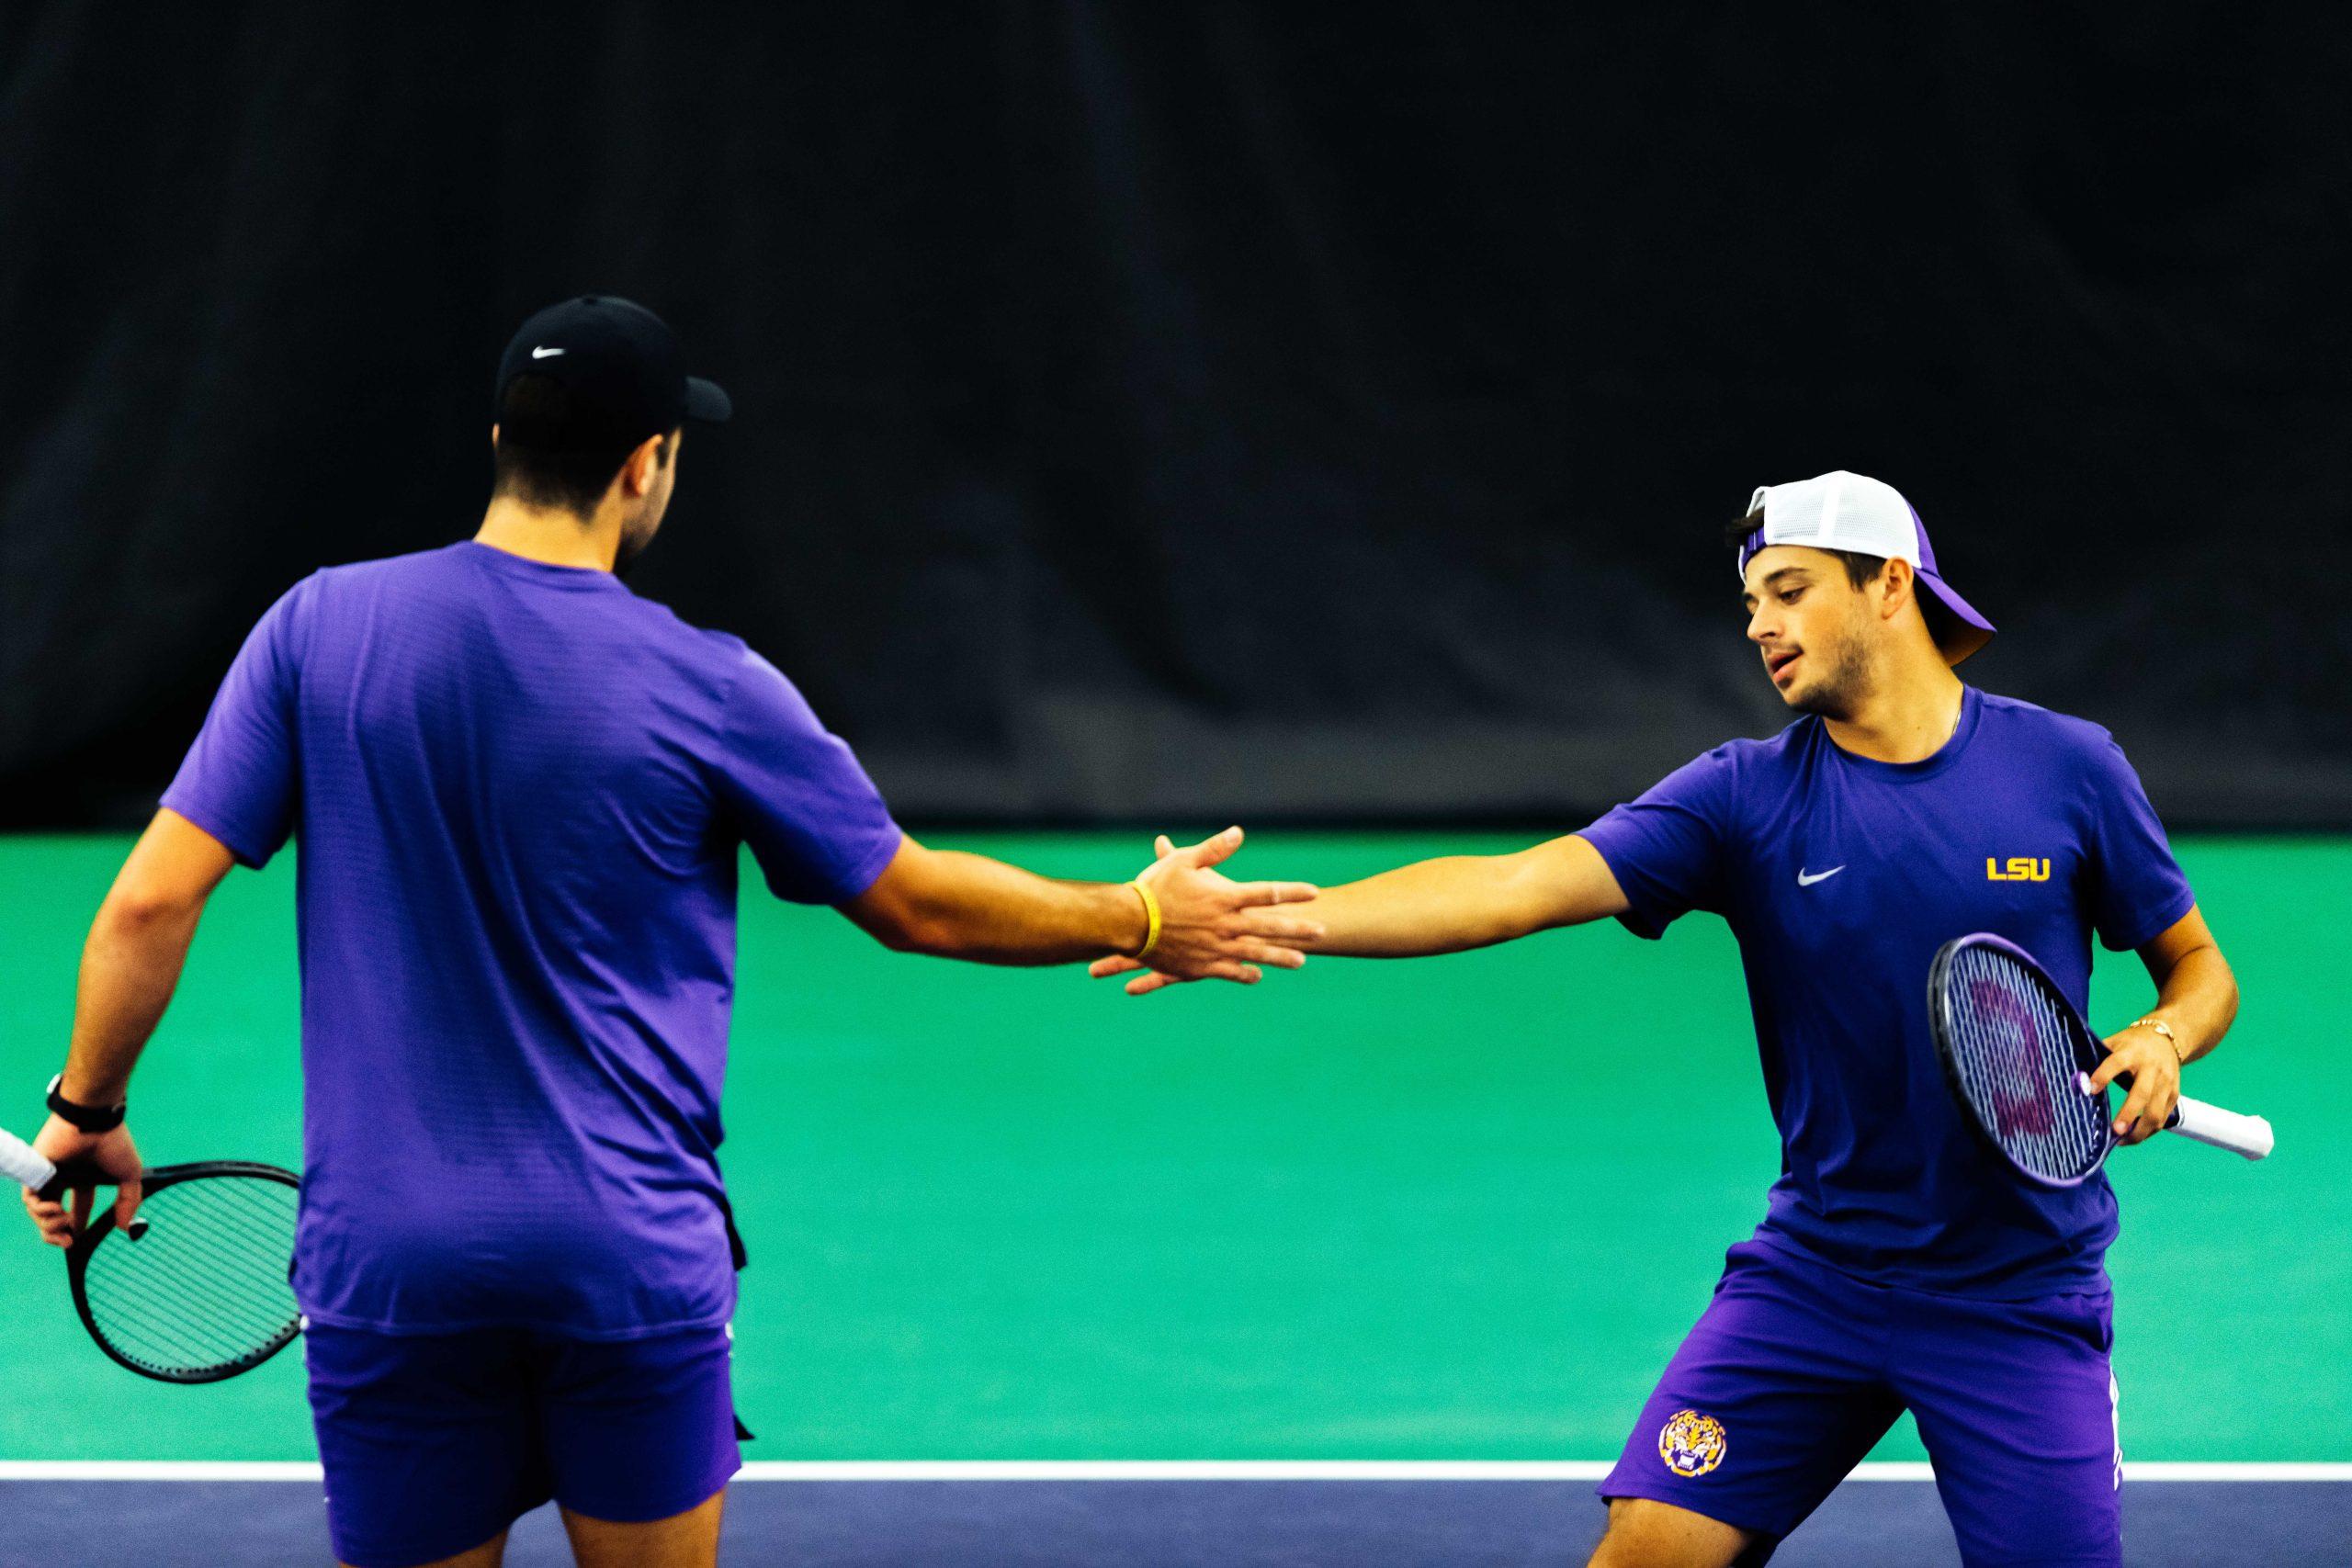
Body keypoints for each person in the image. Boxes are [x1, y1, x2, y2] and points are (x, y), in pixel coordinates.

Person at [18, 295, 1323, 1568]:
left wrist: (87, 1101)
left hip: (395, 1261)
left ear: (498, 446)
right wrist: (1145, 913)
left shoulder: (315, 628)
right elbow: (914, 900)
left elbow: (149, 897)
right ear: (648, 466)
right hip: (624, 1260)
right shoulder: (714, 684)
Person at [1094, 471, 2239, 1568]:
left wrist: (2162, 1037)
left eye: (1789, 590)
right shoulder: (1742, 796)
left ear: (1889, 586)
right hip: (1819, 1275)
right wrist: (1263, 921)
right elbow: (1516, 885)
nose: (1759, 625)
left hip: (2017, 1294)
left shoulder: (2067, 769)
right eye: (1750, 604)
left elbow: (2197, 969)